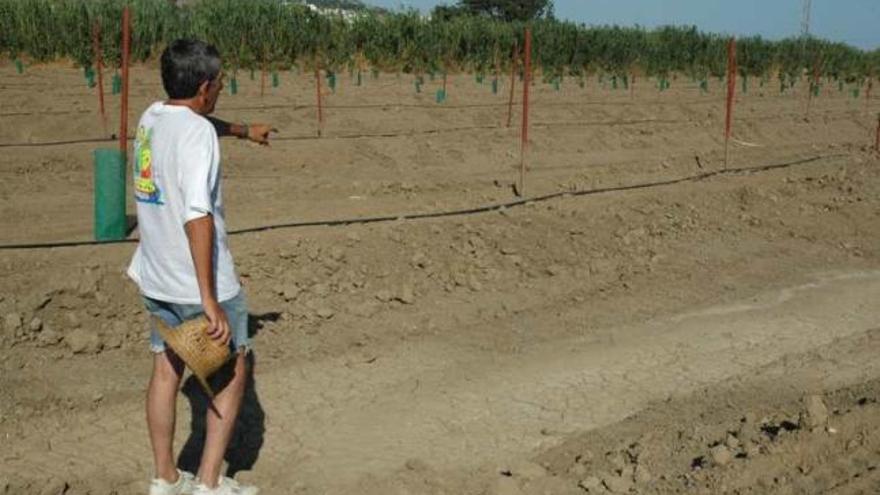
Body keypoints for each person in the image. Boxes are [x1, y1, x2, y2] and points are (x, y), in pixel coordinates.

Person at [127, 38, 273, 495]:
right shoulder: (197, 135)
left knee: (167, 368)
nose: (221, 90)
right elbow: (197, 215)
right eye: (221, 83)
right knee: (231, 375)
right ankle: (209, 484)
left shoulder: (151, 118)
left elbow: (194, 121)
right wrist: (210, 298)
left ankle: (166, 478)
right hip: (199, 284)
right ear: (206, 86)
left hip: (155, 275)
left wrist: (242, 129)